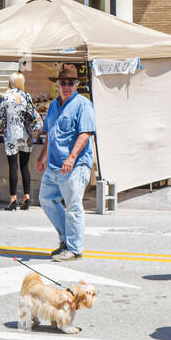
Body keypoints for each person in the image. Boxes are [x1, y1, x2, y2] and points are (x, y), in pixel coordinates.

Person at [36, 64, 96, 261]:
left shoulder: (83, 104)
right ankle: (65, 239)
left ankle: (74, 248)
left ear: (76, 85)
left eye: (71, 83)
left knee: (73, 205)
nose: (67, 86)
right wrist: (42, 156)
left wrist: (71, 157)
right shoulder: (54, 105)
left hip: (75, 165)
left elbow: (85, 134)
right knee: (45, 198)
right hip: (54, 165)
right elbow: (50, 134)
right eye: (63, 83)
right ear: (58, 85)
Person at [0, 71, 42, 211]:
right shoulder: (26, 96)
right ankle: (27, 196)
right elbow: (33, 114)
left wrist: (4, 124)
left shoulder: (5, 97)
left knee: (13, 167)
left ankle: (13, 199)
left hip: (11, 134)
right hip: (25, 134)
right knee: (24, 166)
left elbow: (0, 116)